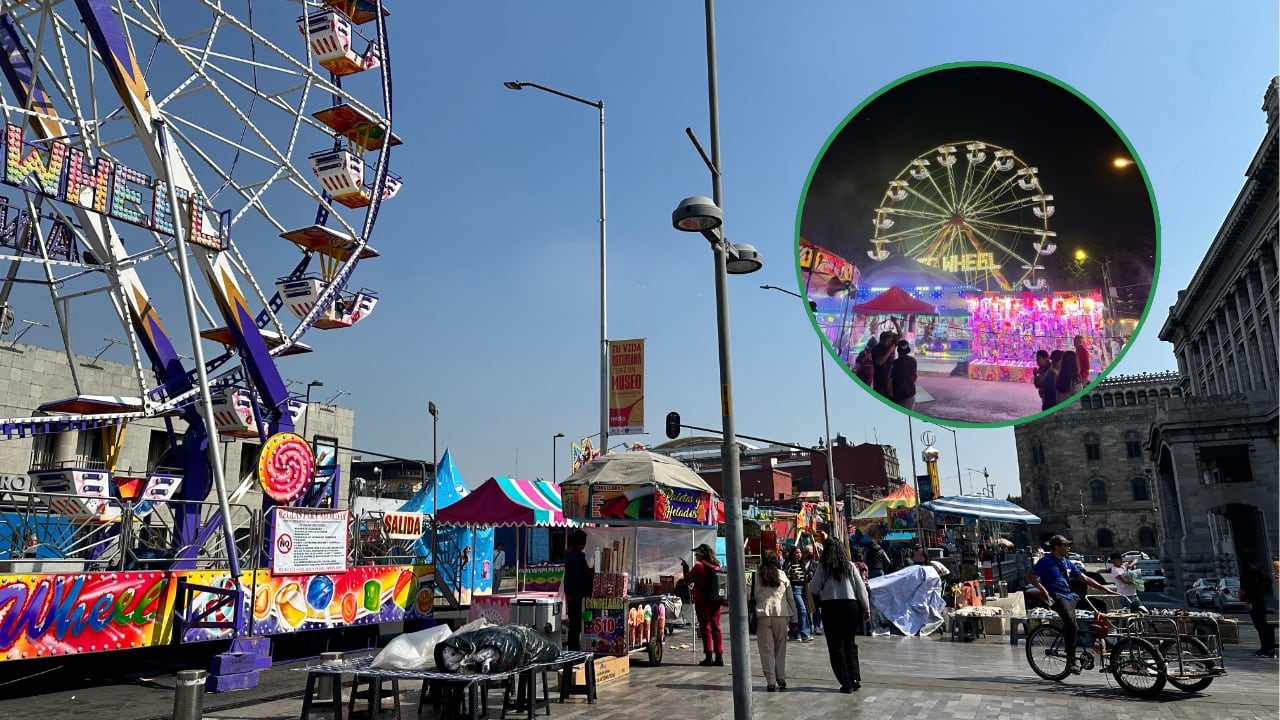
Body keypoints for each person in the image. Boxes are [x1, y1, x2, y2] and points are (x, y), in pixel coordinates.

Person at [1026, 535, 1118, 674]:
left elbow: (1085, 578)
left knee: (1100, 606)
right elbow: (1030, 575)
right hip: (1057, 597)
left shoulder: (1067, 562)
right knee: (1071, 624)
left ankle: (1103, 643)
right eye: (1065, 545)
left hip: (1071, 595)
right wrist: (1042, 589)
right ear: (1057, 546)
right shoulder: (1046, 561)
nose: (1069, 548)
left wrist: (1105, 588)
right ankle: (1071, 661)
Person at [809, 539, 870, 693]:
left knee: (836, 646)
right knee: (850, 643)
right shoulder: (850, 565)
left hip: (831, 607)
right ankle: (854, 678)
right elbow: (861, 589)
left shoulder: (824, 567)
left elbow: (813, 588)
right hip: (850, 606)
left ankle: (845, 682)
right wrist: (866, 609)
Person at [751, 551, 799, 691]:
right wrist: (795, 618)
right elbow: (790, 598)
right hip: (781, 614)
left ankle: (770, 680)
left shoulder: (757, 575)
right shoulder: (782, 575)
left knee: (766, 648)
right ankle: (781, 676)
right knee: (780, 647)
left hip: (763, 614)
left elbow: (751, 595)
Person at [682, 543, 724, 666]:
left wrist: (685, 567)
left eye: (697, 554)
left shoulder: (699, 566)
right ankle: (719, 656)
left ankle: (709, 655)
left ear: (701, 555)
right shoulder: (716, 565)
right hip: (716, 601)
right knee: (716, 628)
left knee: (706, 629)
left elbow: (688, 579)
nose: (695, 556)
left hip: (703, 602)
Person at [563, 529, 592, 651]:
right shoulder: (577, 556)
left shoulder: (569, 553)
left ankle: (573, 649)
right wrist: (591, 574)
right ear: (582, 542)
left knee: (574, 623)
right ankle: (574, 650)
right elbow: (581, 574)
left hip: (570, 592)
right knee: (576, 624)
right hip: (577, 594)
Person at [1241, 560, 1276, 658]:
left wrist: (1248, 601)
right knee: (1262, 626)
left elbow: (1249, 588)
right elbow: (1267, 587)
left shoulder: (1251, 574)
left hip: (1255, 602)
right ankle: (1267, 648)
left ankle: (1267, 649)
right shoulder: (1262, 574)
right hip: (1260, 600)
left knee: (1261, 626)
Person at [783, 546, 814, 642]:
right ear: (793, 554)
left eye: (800, 552)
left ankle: (794, 633)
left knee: (796, 613)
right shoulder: (789, 564)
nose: (799, 554)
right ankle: (805, 633)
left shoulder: (802, 565)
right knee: (802, 610)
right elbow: (785, 576)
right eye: (796, 553)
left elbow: (805, 579)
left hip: (803, 589)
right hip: (794, 589)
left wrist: (809, 576)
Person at [872, 317, 903, 398]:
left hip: (890, 379)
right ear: (881, 341)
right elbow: (880, 362)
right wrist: (891, 349)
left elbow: (900, 335)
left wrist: (895, 322)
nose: (890, 343)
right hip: (880, 381)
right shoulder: (876, 349)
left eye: (891, 341)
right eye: (888, 341)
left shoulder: (890, 345)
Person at [889, 340, 918, 410]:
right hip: (910, 393)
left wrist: (889, 393)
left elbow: (889, 382)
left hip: (898, 394)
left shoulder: (894, 363)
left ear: (898, 351)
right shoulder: (913, 360)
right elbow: (915, 376)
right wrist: (910, 384)